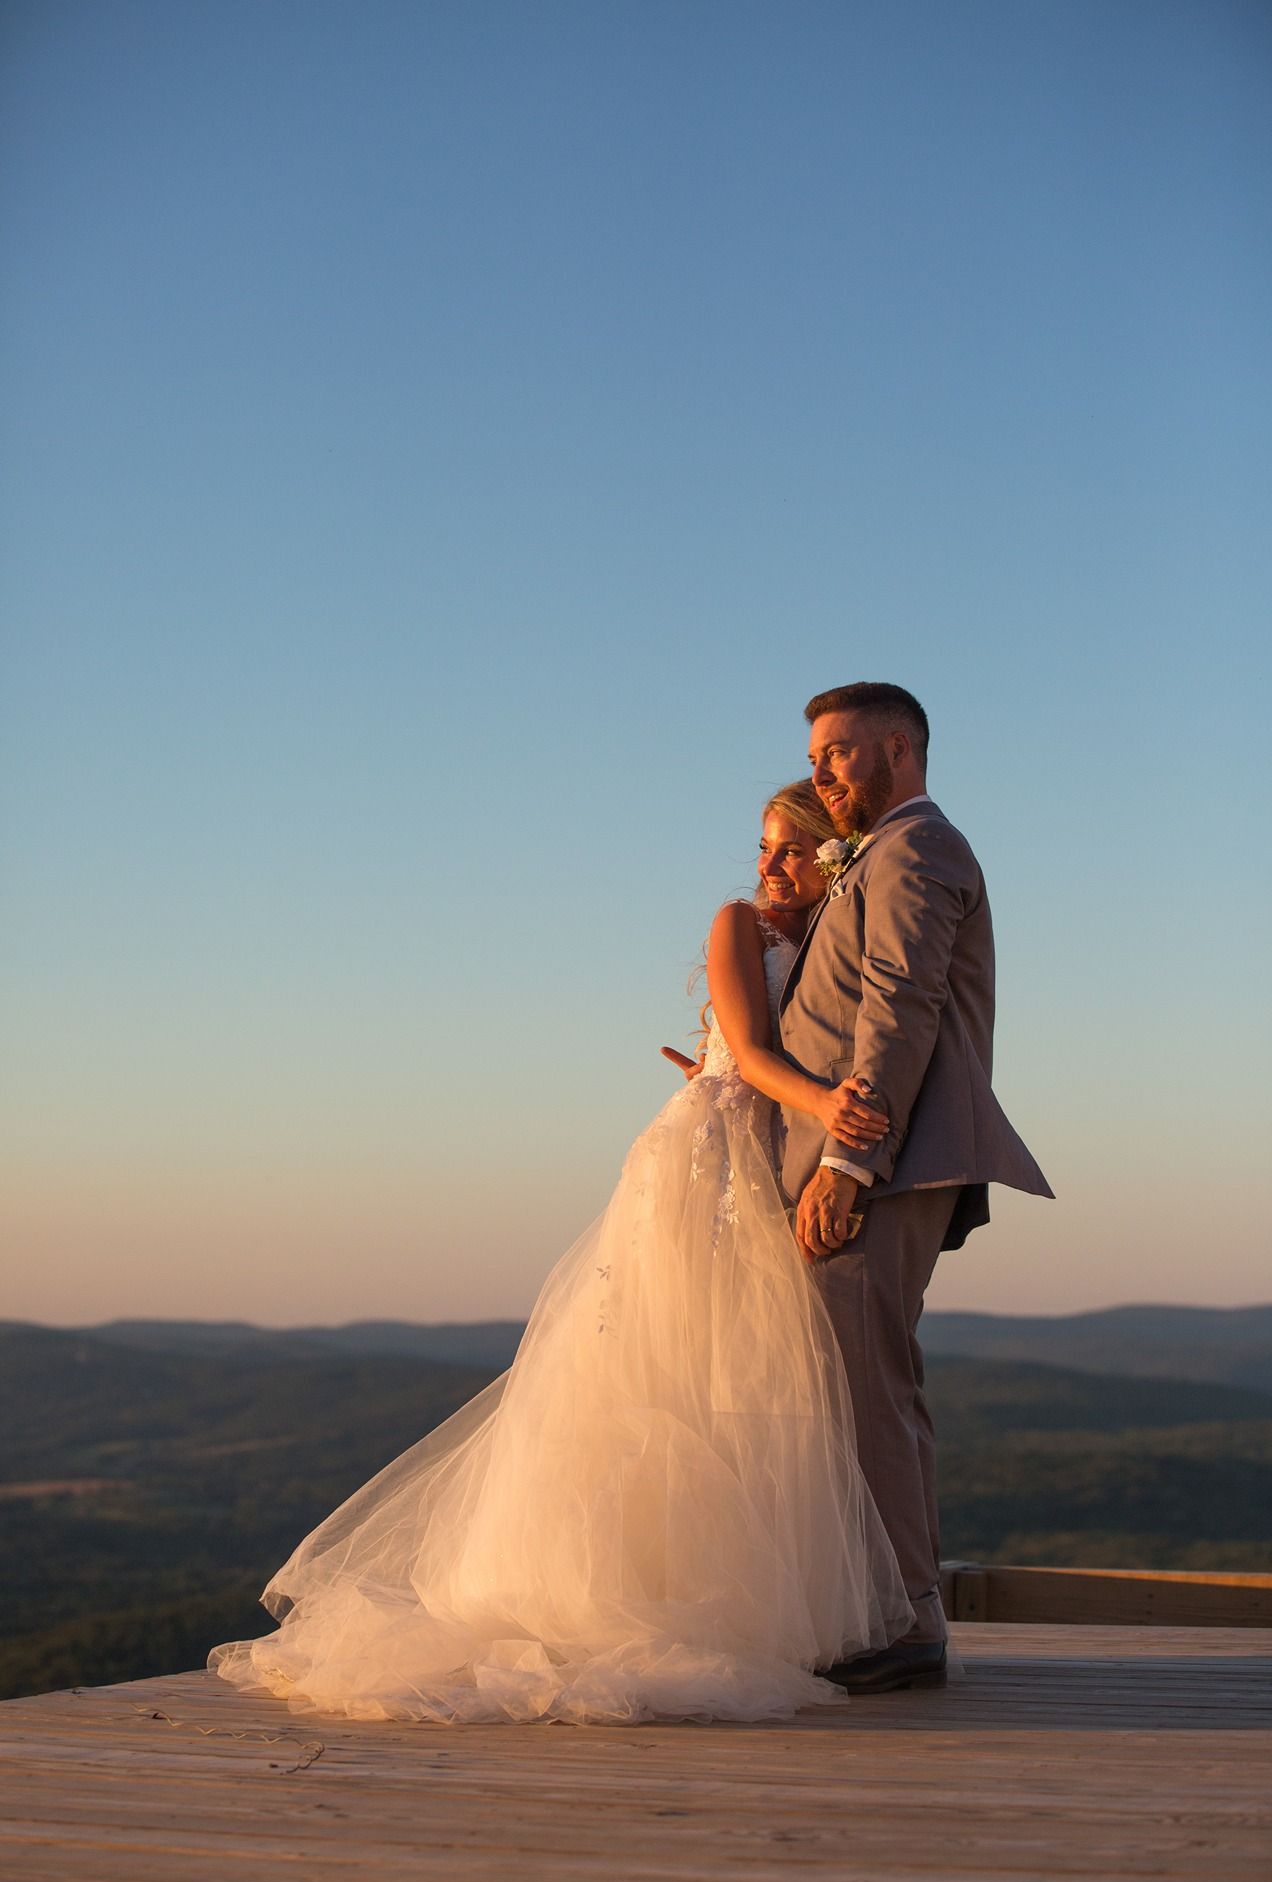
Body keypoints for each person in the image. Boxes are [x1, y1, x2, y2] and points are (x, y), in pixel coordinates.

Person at [209, 782, 914, 1725]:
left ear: (832, 856)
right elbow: (746, 1049)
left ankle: (715, 1591)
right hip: (704, 1164)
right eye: (765, 847)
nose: (771, 866)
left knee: (739, 1376)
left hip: (766, 1163)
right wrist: (821, 1105)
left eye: (795, 850)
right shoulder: (738, 922)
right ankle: (615, 1597)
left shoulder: (838, 928)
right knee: (652, 1368)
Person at [778, 683, 1053, 1693]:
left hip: (877, 1169)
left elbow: (896, 1008)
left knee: (864, 1392)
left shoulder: (917, 849)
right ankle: (884, 1606)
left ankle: (903, 1620)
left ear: (898, 749)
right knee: (859, 1386)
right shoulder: (877, 855)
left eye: (838, 753)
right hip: (861, 1165)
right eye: (814, 759)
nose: (821, 774)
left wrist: (847, 1164)